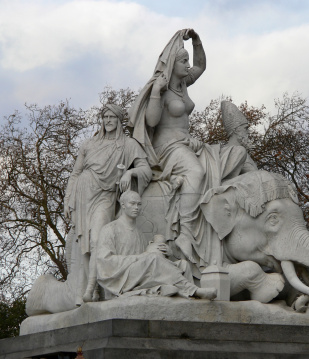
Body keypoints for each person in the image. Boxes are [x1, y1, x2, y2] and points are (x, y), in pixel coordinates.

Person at [129, 29, 249, 267]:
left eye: (187, 61)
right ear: (172, 64)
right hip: (166, 148)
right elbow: (151, 122)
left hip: (187, 144)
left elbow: (201, 65)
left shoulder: (183, 84)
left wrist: (197, 41)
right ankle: (186, 231)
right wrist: (155, 92)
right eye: (183, 61)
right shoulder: (161, 87)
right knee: (196, 172)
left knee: (233, 155)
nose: (188, 65)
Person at [64, 104, 151, 303]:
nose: (108, 120)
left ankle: (93, 288)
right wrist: (68, 200)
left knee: (97, 240)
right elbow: (75, 173)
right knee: (85, 243)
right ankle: (93, 291)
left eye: (112, 117)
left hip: (105, 195)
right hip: (83, 194)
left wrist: (130, 172)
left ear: (119, 120)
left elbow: (146, 169)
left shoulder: (128, 145)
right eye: (105, 117)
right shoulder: (89, 144)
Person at [95, 190, 217, 300]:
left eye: (139, 204)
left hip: (141, 274)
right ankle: (193, 290)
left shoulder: (140, 234)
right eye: (132, 203)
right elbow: (105, 263)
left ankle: (184, 297)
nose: (136, 207)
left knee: (183, 265)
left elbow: (148, 263)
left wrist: (166, 254)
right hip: (121, 278)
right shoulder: (109, 229)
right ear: (123, 205)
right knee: (153, 258)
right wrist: (144, 256)